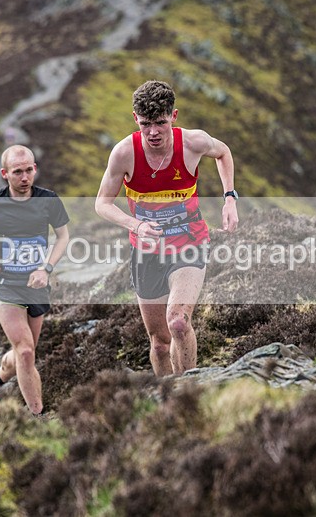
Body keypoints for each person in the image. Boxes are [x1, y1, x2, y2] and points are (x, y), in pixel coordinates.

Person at [95, 80, 239, 376]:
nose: (153, 133)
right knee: (160, 342)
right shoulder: (124, 153)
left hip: (189, 240)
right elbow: (102, 203)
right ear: (135, 119)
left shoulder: (192, 142)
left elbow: (223, 152)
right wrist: (136, 225)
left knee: (178, 322)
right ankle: (168, 399)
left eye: (160, 123)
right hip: (146, 251)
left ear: (174, 116)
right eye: (146, 124)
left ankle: (189, 391)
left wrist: (229, 199)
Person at [0, 145, 70, 415]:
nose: (24, 177)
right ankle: (38, 415)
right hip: (5, 285)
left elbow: (63, 236)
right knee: (26, 352)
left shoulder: (48, 200)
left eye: (29, 170)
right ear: (4, 174)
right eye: (17, 172)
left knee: (24, 352)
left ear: (35, 169)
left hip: (37, 286)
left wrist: (46, 269)